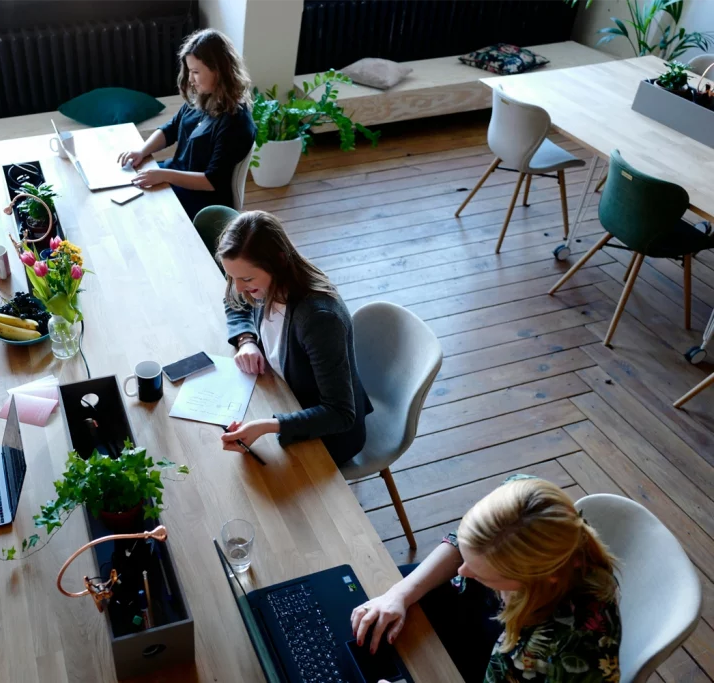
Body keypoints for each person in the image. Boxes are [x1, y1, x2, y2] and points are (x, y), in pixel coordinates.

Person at [351, 476, 621, 683]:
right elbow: (465, 542)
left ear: (535, 578)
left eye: (481, 573)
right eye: (466, 556)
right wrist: (399, 594)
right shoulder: (523, 498)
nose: (462, 571)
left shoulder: (567, 651)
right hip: (469, 617)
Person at [218, 210, 372, 465]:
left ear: (278, 262)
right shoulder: (267, 282)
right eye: (232, 277)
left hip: (328, 435)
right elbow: (234, 300)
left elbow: (340, 414)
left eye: (246, 278)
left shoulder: (318, 319)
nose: (238, 287)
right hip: (283, 395)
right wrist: (246, 340)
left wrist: (270, 426)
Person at [118, 28, 256, 220]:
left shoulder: (235, 122)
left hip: (203, 199)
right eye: (189, 71)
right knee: (126, 181)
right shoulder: (201, 98)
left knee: (141, 206)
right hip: (176, 175)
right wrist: (142, 151)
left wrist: (164, 175)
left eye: (196, 72)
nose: (190, 79)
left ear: (218, 70)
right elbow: (171, 129)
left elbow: (212, 181)